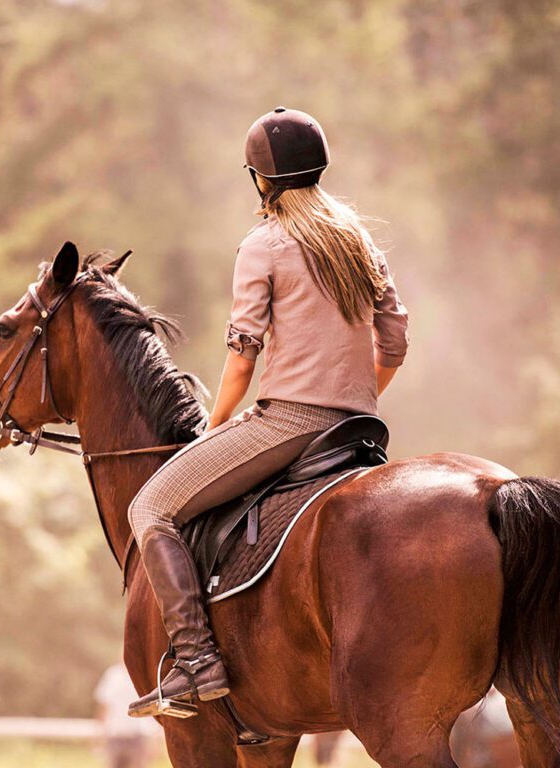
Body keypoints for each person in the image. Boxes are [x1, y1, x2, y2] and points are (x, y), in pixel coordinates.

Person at [127, 106, 410, 718]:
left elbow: (241, 358)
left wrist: (214, 426)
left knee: (149, 506)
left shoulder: (265, 243)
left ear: (260, 179)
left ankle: (196, 662)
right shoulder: (358, 242)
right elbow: (395, 344)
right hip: (359, 426)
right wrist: (357, 394)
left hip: (288, 424)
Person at [94, 661, 155, 767]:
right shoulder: (112, 675)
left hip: (138, 738)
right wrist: (99, 736)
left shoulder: (142, 676)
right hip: (115, 736)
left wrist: (153, 741)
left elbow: (150, 710)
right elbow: (104, 707)